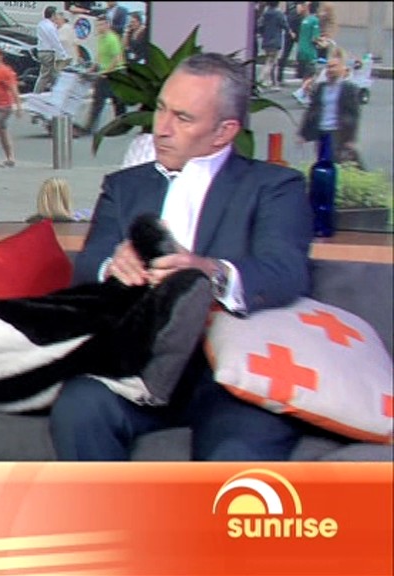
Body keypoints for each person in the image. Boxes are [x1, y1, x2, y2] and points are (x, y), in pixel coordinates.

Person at [47, 52, 314, 461]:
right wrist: (111, 267)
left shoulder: (274, 186)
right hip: (138, 367)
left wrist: (207, 270)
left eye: (183, 118)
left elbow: (285, 271)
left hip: (229, 377)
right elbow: (86, 266)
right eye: (161, 109)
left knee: (235, 455)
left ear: (224, 132)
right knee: (78, 406)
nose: (162, 128)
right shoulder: (124, 187)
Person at [298, 47, 362, 167]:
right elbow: (312, 110)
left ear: (342, 69)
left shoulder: (349, 89)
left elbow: (354, 114)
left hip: (337, 132)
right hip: (321, 131)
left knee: (332, 162)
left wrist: (351, 138)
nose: (330, 70)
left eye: (334, 67)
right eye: (328, 67)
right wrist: (303, 133)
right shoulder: (321, 88)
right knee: (322, 160)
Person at [76, 15, 126, 137]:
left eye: (101, 24)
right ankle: (90, 128)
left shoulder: (112, 38)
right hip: (104, 73)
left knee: (117, 102)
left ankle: (122, 124)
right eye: (98, 25)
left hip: (115, 73)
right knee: (99, 100)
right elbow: (100, 56)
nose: (99, 27)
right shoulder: (101, 38)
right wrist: (92, 68)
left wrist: (107, 72)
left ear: (107, 25)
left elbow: (117, 58)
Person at [33, 6, 70, 93]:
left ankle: (57, 91)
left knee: (53, 74)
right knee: (45, 75)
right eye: (56, 14)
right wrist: (63, 54)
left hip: (41, 51)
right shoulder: (50, 27)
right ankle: (37, 93)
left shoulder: (41, 24)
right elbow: (55, 41)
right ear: (52, 15)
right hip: (48, 52)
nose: (57, 17)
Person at [293, 1, 320, 105]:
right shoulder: (315, 21)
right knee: (311, 75)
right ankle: (301, 93)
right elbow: (314, 38)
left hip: (301, 50)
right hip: (310, 52)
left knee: (305, 74)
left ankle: (305, 95)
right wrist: (322, 42)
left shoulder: (305, 20)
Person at [256, 1, 288, 91]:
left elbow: (260, 26)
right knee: (270, 62)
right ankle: (260, 80)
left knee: (273, 62)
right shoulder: (279, 14)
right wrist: (291, 32)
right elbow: (285, 25)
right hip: (275, 40)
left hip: (266, 40)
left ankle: (274, 83)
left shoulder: (265, 14)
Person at [278, 0, 303, 84]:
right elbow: (299, 12)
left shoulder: (290, 5)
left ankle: (280, 74)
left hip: (290, 30)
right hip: (296, 30)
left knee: (286, 53)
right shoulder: (297, 9)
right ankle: (299, 72)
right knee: (299, 51)